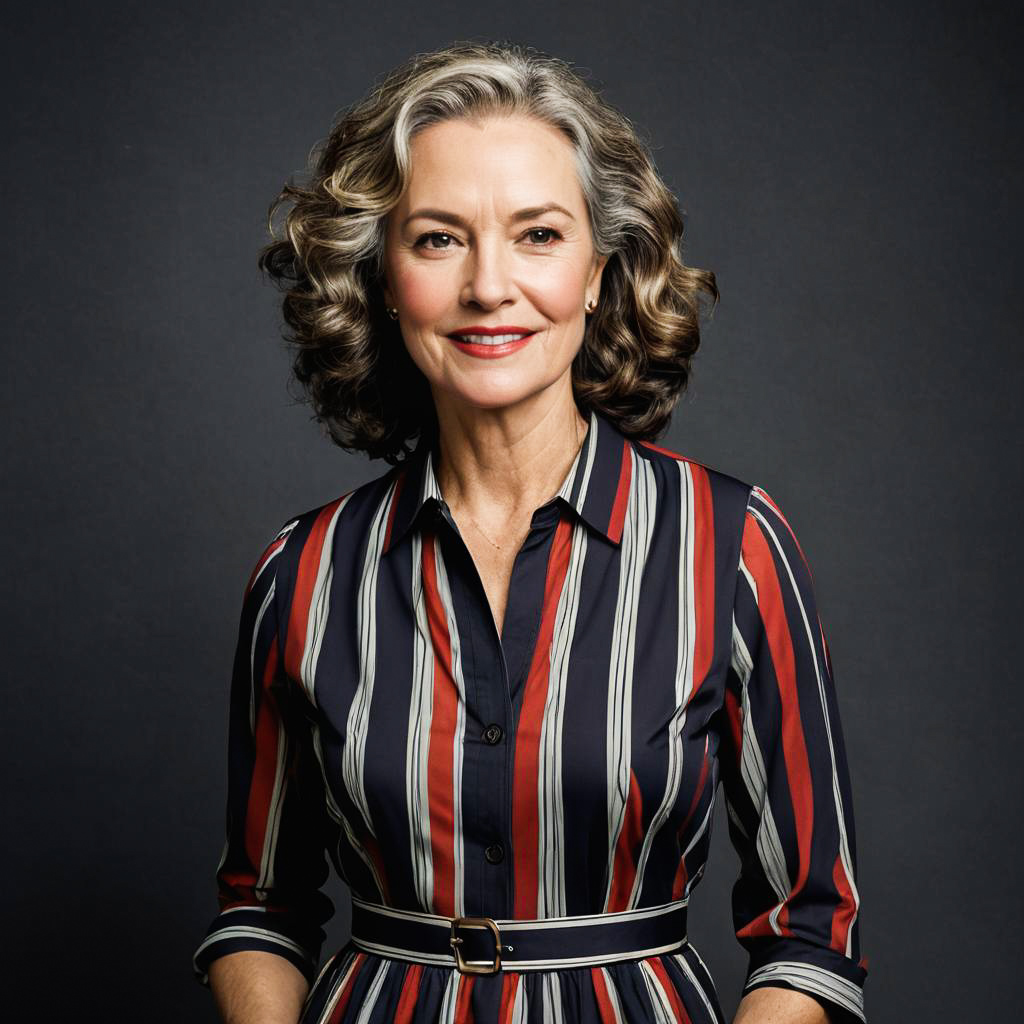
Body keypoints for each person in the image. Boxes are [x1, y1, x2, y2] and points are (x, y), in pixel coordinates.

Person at [192, 41, 868, 1024]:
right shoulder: (300, 574)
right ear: (384, 278)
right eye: (437, 239)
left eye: (538, 234)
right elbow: (260, 907)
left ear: (599, 271)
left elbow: (812, 928)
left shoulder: (734, 548)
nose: (488, 285)